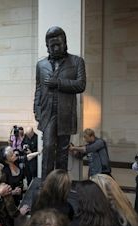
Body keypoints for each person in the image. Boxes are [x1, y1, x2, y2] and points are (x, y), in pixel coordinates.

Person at [34, 26, 86, 179]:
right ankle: (46, 184)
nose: (56, 48)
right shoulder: (41, 65)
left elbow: (81, 85)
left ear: (65, 43)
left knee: (63, 152)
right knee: (48, 147)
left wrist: (58, 83)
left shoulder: (77, 62)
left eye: (58, 44)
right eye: (52, 45)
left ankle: (60, 185)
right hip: (47, 113)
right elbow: (38, 89)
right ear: (47, 47)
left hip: (65, 113)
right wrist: (36, 109)